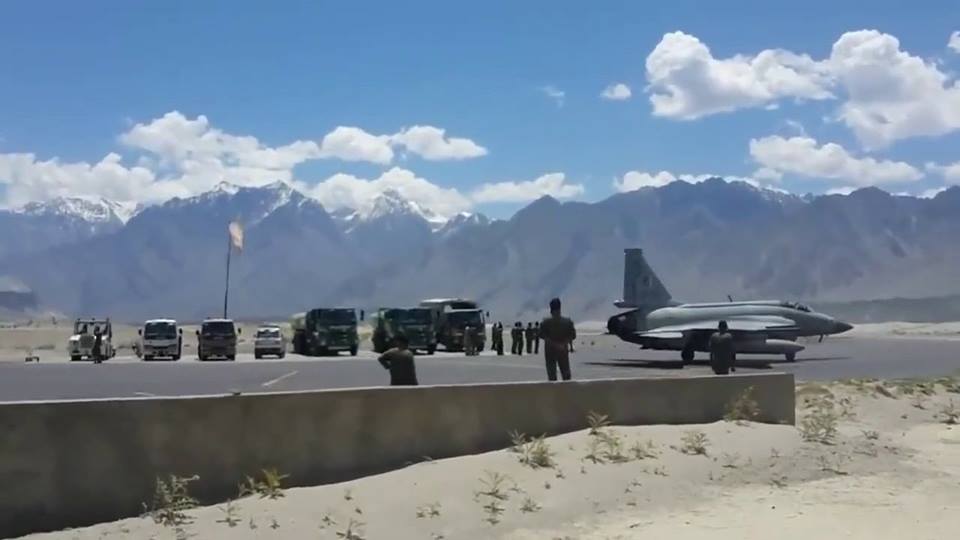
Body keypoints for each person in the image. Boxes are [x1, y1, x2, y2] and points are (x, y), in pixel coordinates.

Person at [539, 297, 576, 381]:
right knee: (566, 374)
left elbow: (541, 335)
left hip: (550, 350)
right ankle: (566, 392)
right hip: (563, 350)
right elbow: (573, 335)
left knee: (552, 375)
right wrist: (564, 344)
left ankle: (554, 393)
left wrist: (553, 344)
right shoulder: (567, 322)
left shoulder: (545, 322)